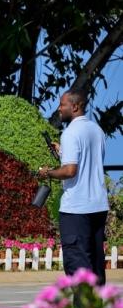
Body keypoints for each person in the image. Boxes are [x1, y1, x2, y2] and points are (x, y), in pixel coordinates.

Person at [37, 88, 109, 288]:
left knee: (77, 263)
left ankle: (82, 307)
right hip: (98, 205)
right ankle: (97, 305)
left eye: (62, 104)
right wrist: (63, 152)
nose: (59, 109)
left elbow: (70, 171)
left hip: (76, 209)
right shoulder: (97, 130)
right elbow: (88, 161)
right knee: (95, 261)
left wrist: (48, 172)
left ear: (75, 106)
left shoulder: (70, 133)